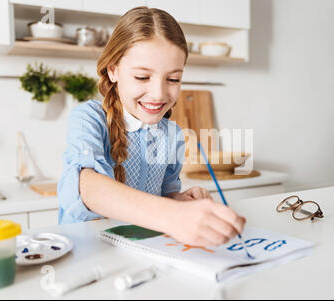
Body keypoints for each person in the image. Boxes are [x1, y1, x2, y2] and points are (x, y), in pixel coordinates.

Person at [57, 6, 246, 247]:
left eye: (173, 79)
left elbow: (163, 196)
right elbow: (86, 187)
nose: (158, 94)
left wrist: (180, 202)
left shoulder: (172, 134)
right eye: (142, 77)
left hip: (140, 252)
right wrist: (171, 215)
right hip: (87, 254)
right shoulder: (89, 118)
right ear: (113, 70)